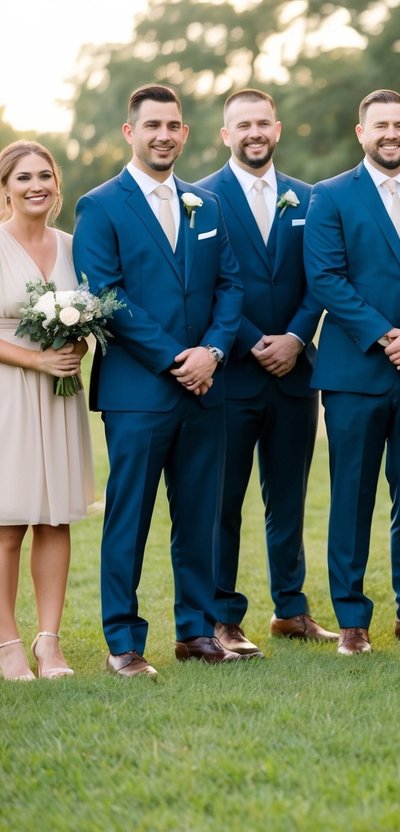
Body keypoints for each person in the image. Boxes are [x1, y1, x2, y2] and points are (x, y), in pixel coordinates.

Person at [74, 84, 247, 676]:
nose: (164, 135)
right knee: (130, 518)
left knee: (199, 516)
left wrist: (214, 352)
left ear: (185, 133)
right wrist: (178, 360)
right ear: (131, 132)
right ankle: (123, 643)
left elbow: (230, 287)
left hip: (207, 388)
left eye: (173, 126)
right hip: (139, 393)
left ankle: (196, 632)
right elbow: (107, 296)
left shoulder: (207, 204)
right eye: (152, 125)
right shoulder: (100, 205)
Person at [304, 89, 400, 656]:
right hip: (355, 373)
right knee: (352, 497)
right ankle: (352, 620)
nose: (390, 133)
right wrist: (388, 336)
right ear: (361, 133)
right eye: (380, 125)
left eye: (399, 124)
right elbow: (325, 278)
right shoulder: (329, 196)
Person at [197, 88, 337, 654]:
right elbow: (205, 283)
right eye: (242, 125)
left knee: (289, 498)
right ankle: (223, 617)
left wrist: (296, 337)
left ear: (277, 129)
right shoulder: (200, 199)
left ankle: (291, 609)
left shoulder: (310, 198)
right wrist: (254, 341)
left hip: (295, 373)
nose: (254, 133)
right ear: (225, 135)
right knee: (223, 502)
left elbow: (320, 277)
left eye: (262, 123)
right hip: (231, 374)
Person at [0, 141, 93, 681]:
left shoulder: (74, 247)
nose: (36, 185)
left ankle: (49, 643)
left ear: (56, 184)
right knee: (7, 522)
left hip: (59, 394)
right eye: (23, 177)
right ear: (6, 188)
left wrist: (77, 345)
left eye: (44, 176)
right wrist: (37, 360)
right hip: (9, 392)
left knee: (54, 518)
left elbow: (91, 316)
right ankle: (8, 643)